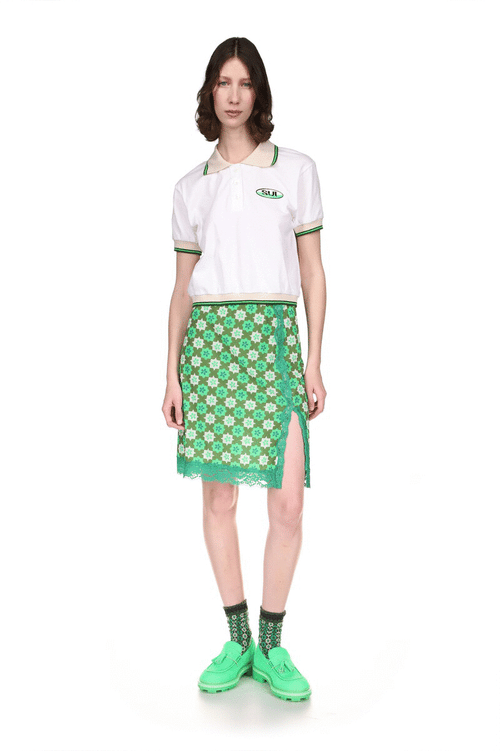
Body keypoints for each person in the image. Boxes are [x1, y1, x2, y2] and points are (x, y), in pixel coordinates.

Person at [162, 37, 327, 702]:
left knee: (287, 502)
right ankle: (236, 639)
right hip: (210, 350)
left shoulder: (296, 171)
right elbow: (181, 289)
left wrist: (315, 359)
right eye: (223, 83)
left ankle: (272, 643)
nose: (233, 95)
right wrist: (171, 374)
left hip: (272, 344)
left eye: (244, 83)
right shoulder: (189, 187)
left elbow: (312, 273)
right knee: (219, 500)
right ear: (211, 93)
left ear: (259, 92)